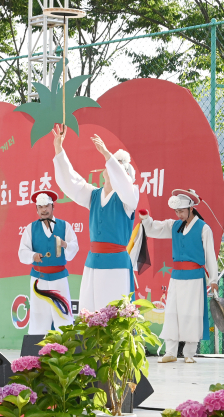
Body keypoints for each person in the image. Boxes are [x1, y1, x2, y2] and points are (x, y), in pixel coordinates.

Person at [52, 125, 139, 311]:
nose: (112, 170)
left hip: (116, 266)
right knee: (91, 314)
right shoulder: (93, 195)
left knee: (114, 316)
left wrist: (108, 155)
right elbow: (72, 182)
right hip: (93, 263)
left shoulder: (129, 199)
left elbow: (124, 185)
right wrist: (59, 149)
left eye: (118, 169)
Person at [138, 189, 219, 364]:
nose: (178, 214)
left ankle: (190, 353)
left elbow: (210, 255)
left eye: (181, 211)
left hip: (195, 277)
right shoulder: (174, 226)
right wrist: (146, 219)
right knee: (172, 313)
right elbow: (154, 229)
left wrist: (213, 279)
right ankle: (171, 352)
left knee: (192, 313)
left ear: (191, 209)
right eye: (176, 212)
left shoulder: (203, 228)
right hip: (176, 276)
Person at [18, 190, 79, 334]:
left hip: (59, 277)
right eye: (40, 207)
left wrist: (65, 245)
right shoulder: (30, 228)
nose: (44, 210)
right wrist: (33, 256)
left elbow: (74, 247)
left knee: (63, 312)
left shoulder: (65, 226)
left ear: (53, 207)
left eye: (47, 206)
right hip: (39, 278)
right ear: (37, 209)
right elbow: (22, 252)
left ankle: (67, 348)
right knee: (38, 314)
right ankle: (37, 350)